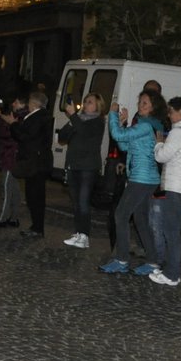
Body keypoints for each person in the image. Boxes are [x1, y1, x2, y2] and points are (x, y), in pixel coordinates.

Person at [101, 92, 164, 274]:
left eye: (145, 103)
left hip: (142, 178)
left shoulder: (145, 126)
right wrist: (122, 123)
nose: (140, 105)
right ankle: (152, 261)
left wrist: (113, 114)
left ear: (153, 107)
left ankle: (121, 260)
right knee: (140, 219)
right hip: (145, 178)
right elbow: (124, 145)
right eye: (140, 102)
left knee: (121, 215)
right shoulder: (147, 126)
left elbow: (116, 135)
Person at [150, 94, 181, 286]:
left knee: (171, 233)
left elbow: (162, 157)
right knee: (174, 230)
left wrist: (159, 143)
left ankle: (172, 274)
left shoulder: (177, 132)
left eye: (171, 111)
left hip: (175, 187)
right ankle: (171, 271)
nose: (169, 115)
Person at [59, 93, 106, 249]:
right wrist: (72, 120)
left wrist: (73, 117)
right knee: (76, 202)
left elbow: (85, 133)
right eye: (85, 101)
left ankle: (85, 236)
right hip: (74, 165)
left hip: (88, 167)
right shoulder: (78, 119)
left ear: (98, 105)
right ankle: (78, 233)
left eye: (90, 102)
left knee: (84, 202)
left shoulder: (98, 121)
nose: (86, 104)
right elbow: (63, 137)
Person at [13, 90, 53, 240]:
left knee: (35, 196)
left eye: (30, 102)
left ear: (35, 103)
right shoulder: (42, 117)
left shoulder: (37, 118)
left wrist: (13, 125)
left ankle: (37, 228)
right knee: (33, 195)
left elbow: (26, 137)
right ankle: (36, 226)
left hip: (35, 163)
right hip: (38, 162)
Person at [0, 97, 25, 228]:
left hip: (10, 157)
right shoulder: (20, 116)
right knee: (13, 189)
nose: (13, 103)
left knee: (6, 188)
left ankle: (2, 219)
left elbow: (7, 132)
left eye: (16, 102)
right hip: (11, 156)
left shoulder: (20, 117)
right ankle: (13, 218)